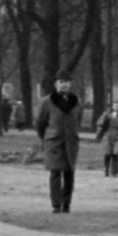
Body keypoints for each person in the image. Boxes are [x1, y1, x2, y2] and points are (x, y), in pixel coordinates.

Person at [35, 74, 81, 212]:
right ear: (56, 84)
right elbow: (40, 123)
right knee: (55, 173)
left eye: (67, 82)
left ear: (70, 84)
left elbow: (77, 121)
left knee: (69, 173)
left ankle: (66, 204)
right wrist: (48, 137)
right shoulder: (47, 102)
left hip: (71, 142)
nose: (64, 85)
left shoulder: (77, 101)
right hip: (54, 142)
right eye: (61, 82)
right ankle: (56, 204)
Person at [95, 101, 118, 176]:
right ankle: (106, 169)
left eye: (117, 106)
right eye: (115, 106)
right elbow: (99, 123)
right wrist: (104, 121)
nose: (116, 107)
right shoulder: (106, 114)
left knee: (115, 154)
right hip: (107, 135)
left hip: (117, 136)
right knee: (107, 154)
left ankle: (114, 171)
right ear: (112, 107)